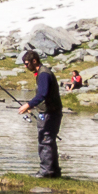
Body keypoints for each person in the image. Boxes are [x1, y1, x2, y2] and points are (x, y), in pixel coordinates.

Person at [18, 49, 62, 179]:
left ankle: (46, 171)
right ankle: (54, 171)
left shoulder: (43, 74)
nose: (25, 67)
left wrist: (28, 104)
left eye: (27, 64)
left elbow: (42, 94)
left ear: (34, 61)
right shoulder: (43, 73)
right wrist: (33, 106)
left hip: (49, 113)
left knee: (45, 141)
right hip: (50, 112)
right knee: (49, 141)